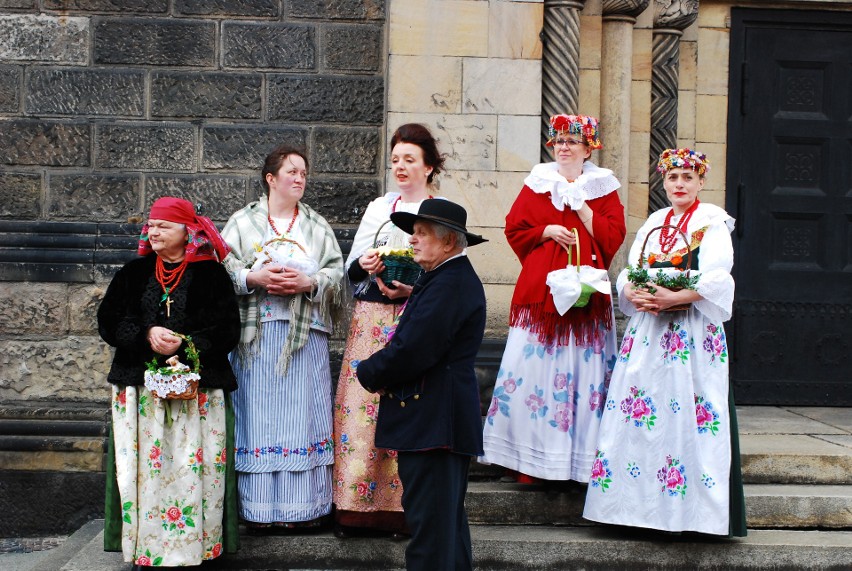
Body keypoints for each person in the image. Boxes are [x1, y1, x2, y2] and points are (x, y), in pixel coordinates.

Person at [582, 148, 747, 537]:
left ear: (701, 182)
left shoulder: (712, 222)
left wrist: (676, 297)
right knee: (641, 411)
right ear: (664, 182)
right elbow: (630, 272)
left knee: (685, 413)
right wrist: (637, 294)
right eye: (673, 178)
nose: (680, 184)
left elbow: (718, 276)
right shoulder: (656, 222)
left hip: (690, 331)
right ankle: (632, 511)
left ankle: (688, 515)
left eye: (688, 178)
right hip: (651, 332)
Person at [480, 114, 626, 484]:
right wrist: (545, 230)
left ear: (588, 148)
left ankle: (575, 463)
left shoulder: (602, 186)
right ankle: (530, 462)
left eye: (572, 141)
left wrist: (583, 209)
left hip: (585, 297)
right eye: (558, 141)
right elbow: (515, 227)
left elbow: (614, 235)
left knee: (582, 374)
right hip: (540, 295)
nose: (563, 147)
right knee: (535, 373)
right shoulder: (538, 182)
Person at [98, 197, 240, 567]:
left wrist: (186, 344)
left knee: (194, 472)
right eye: (151, 225)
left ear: (186, 232)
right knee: (146, 474)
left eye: (163, 225)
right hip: (141, 391)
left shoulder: (212, 276)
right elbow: (109, 320)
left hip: (198, 392)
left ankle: (195, 551)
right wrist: (146, 334)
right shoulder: (133, 273)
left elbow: (228, 330)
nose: (153, 231)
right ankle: (149, 551)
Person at [356, 199, 487, 571]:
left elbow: (414, 349)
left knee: (431, 536)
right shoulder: (444, 278)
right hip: (433, 421)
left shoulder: (450, 282)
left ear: (448, 243)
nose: (412, 240)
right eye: (413, 233)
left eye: (421, 233)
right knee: (444, 531)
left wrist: (369, 372)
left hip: (435, 423)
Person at [221, 145, 345, 530]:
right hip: (255, 336)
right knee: (256, 417)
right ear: (270, 179)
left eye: (304, 173)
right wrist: (253, 278)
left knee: (302, 417)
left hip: (303, 336)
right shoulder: (242, 222)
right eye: (292, 171)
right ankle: (256, 512)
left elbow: (337, 274)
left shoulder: (316, 225)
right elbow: (221, 267)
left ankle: (303, 510)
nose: (300, 178)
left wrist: (309, 281)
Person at [332, 123, 444, 538]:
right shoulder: (380, 207)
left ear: (429, 166)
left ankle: (400, 511)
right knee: (362, 406)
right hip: (372, 317)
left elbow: (449, 271)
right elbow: (354, 261)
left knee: (405, 405)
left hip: (414, 318)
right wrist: (369, 264)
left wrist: (414, 287)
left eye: (409, 159)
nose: (400, 166)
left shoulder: (442, 209)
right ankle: (354, 509)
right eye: (395, 159)